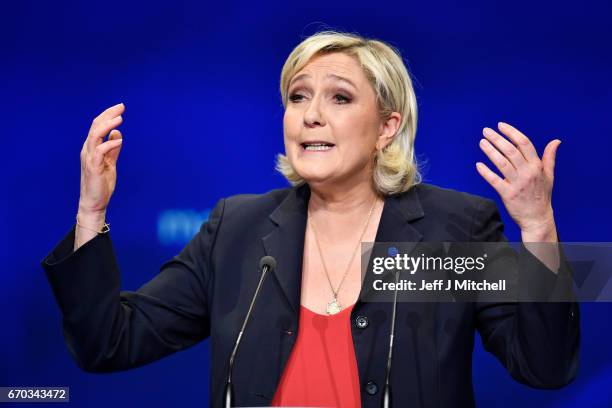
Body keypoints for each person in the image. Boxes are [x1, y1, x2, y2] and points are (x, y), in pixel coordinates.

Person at [41, 31, 579, 408]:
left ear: (387, 127)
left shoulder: (449, 230)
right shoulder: (239, 229)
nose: (310, 114)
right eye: (298, 97)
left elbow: (544, 367)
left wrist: (537, 229)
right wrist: (91, 212)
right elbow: (107, 341)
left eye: (339, 97)